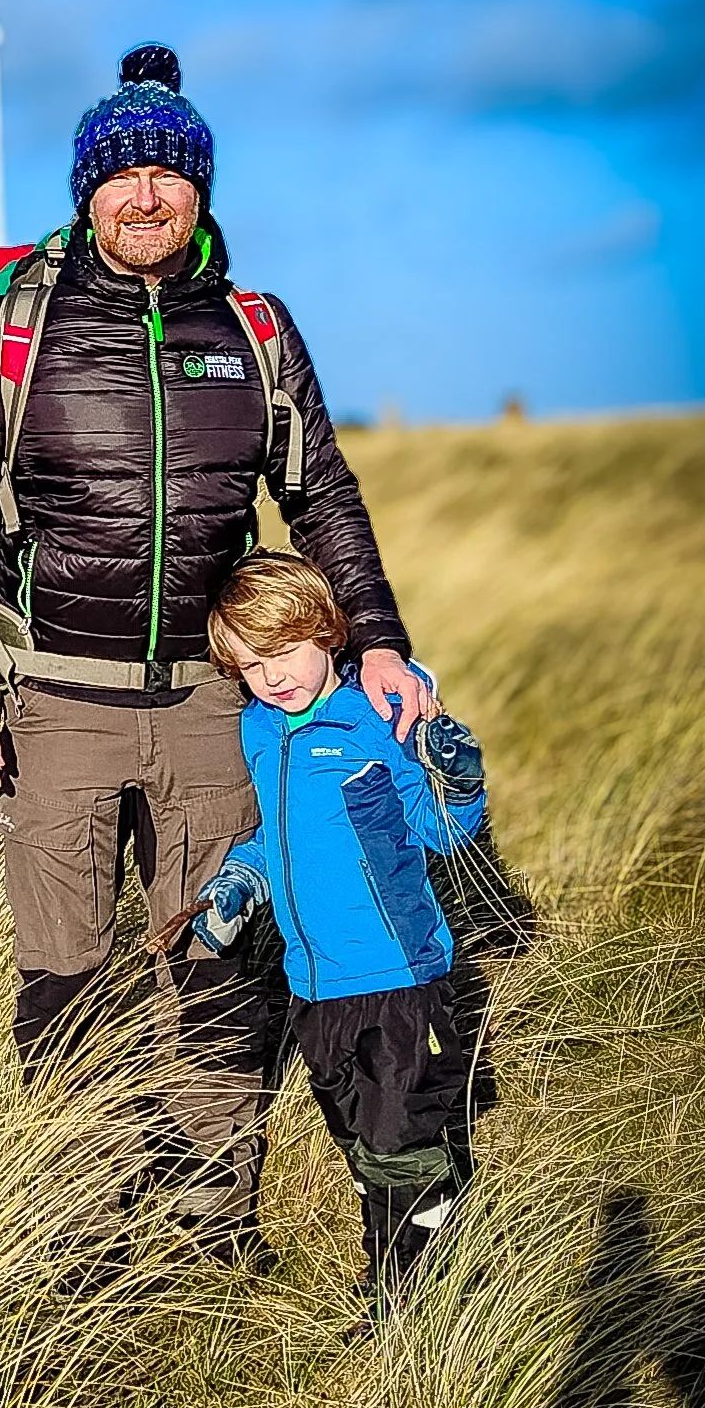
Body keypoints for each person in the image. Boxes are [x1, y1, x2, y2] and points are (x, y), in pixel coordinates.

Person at [0, 43, 424, 1257]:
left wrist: (383, 644)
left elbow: (325, 499)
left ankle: (208, 1215)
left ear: (199, 190)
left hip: (215, 706)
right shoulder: (15, 330)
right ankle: (83, 1221)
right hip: (55, 705)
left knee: (213, 959)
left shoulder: (252, 327)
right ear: (85, 191)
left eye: (169, 174)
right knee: (65, 973)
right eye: (121, 174)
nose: (145, 194)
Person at [195, 550, 489, 1310]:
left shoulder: (374, 718)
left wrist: (459, 782)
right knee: (360, 1140)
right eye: (253, 664)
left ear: (327, 634)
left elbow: (438, 829)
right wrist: (241, 879)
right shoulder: (262, 731)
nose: (274, 676)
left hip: (395, 978)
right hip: (314, 985)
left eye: (286, 652)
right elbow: (279, 836)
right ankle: (425, 1238)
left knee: (400, 1141)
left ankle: (409, 1298)